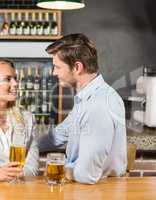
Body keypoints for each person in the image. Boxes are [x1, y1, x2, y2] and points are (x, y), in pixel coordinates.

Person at [45, 33, 127, 184]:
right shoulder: (87, 97)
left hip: (99, 192)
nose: (53, 73)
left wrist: (59, 168)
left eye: (57, 67)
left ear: (77, 67)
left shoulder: (98, 105)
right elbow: (60, 134)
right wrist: (26, 141)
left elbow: (86, 175)